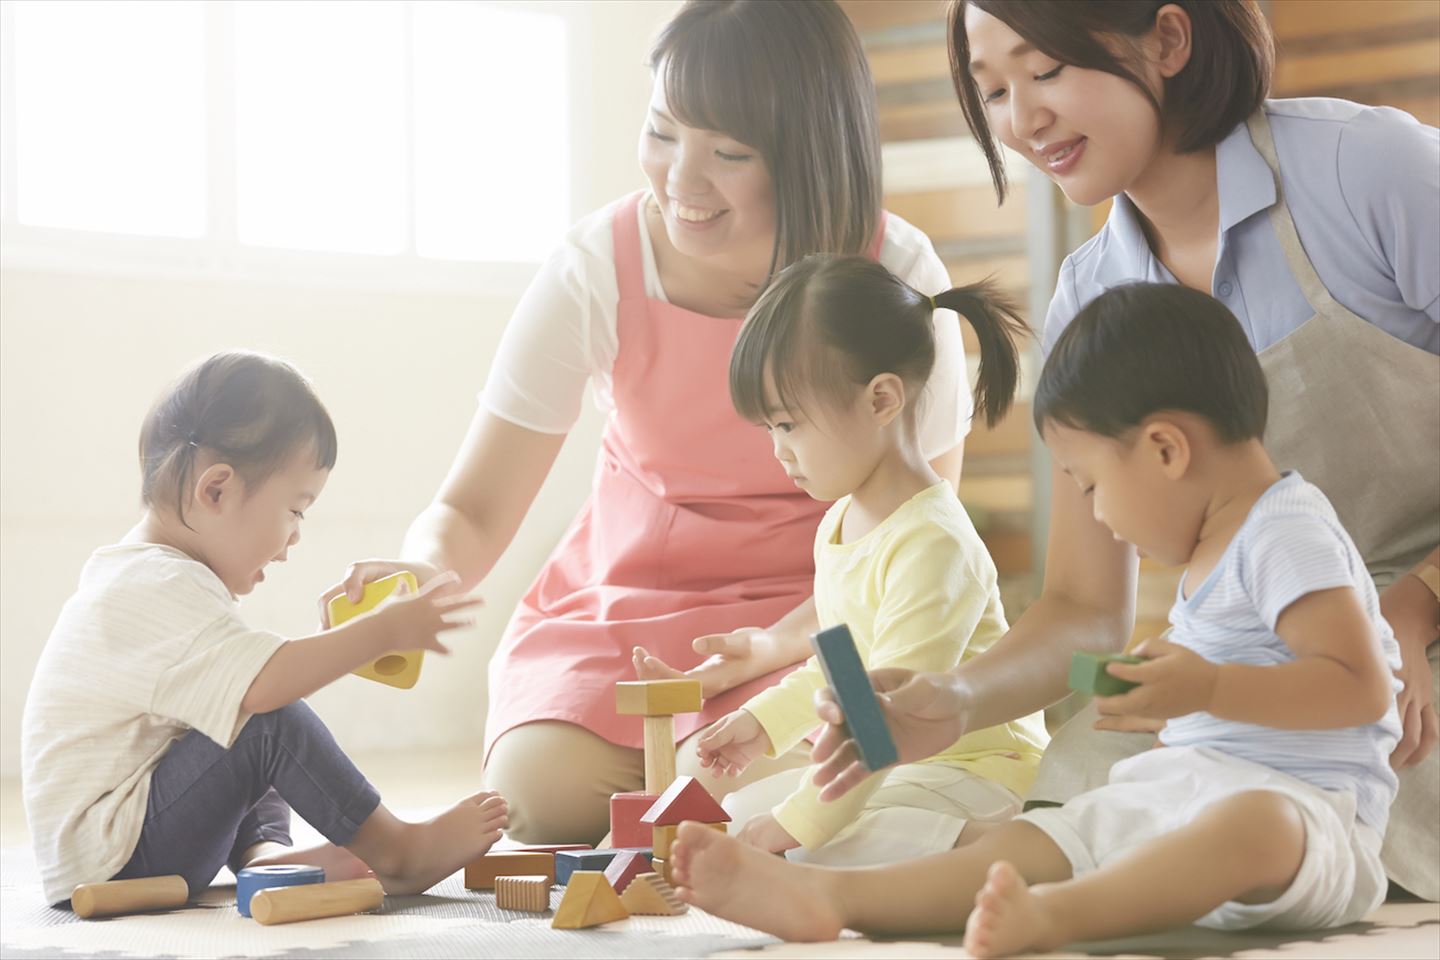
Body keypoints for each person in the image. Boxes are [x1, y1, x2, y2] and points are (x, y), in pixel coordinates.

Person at [694, 0, 1440, 899]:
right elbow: (1087, 609)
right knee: (1086, 772)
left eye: (1047, 71)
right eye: (994, 89)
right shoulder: (1090, 295)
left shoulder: (1368, 170)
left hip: (1408, 636)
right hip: (1245, 665)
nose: (1021, 119)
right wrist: (959, 700)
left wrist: (1416, 601)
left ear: (1167, 39)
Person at [321, 0, 974, 844]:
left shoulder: (896, 276)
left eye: (728, 153)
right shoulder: (598, 263)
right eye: (663, 131)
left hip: (820, 616)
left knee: (775, 791)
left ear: (807, 156)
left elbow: (918, 542)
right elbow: (472, 509)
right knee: (535, 799)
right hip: (624, 605)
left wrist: (780, 647)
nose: (679, 180)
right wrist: (418, 579)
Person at [670, 283, 1403, 955]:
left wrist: (1208, 690)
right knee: (1042, 836)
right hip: (1185, 787)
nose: (1099, 516)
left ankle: (1059, 916)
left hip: (1313, 818)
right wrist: (1135, 683)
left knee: (1253, 828)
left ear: (1165, 450)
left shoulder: (1286, 532)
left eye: (1089, 486)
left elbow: (1361, 690)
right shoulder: (1216, 546)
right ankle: (834, 896)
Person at [21, 351, 506, 908]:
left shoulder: (145, 576)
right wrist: (377, 634)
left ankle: (262, 856)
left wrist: (327, 645)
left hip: (122, 843)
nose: (295, 536)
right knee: (264, 718)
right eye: (296, 510)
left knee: (237, 713)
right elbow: (265, 687)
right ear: (217, 491)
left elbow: (253, 679)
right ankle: (395, 851)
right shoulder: (154, 586)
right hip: (120, 858)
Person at [673, 254, 1048, 865]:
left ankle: (1013, 852)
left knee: (814, 843)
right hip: (905, 769)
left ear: (880, 400)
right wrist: (763, 724)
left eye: (789, 424)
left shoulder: (934, 542)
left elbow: (882, 721)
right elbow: (843, 674)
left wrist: (796, 826)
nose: (779, 452)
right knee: (737, 817)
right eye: (769, 429)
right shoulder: (840, 524)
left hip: (984, 773)